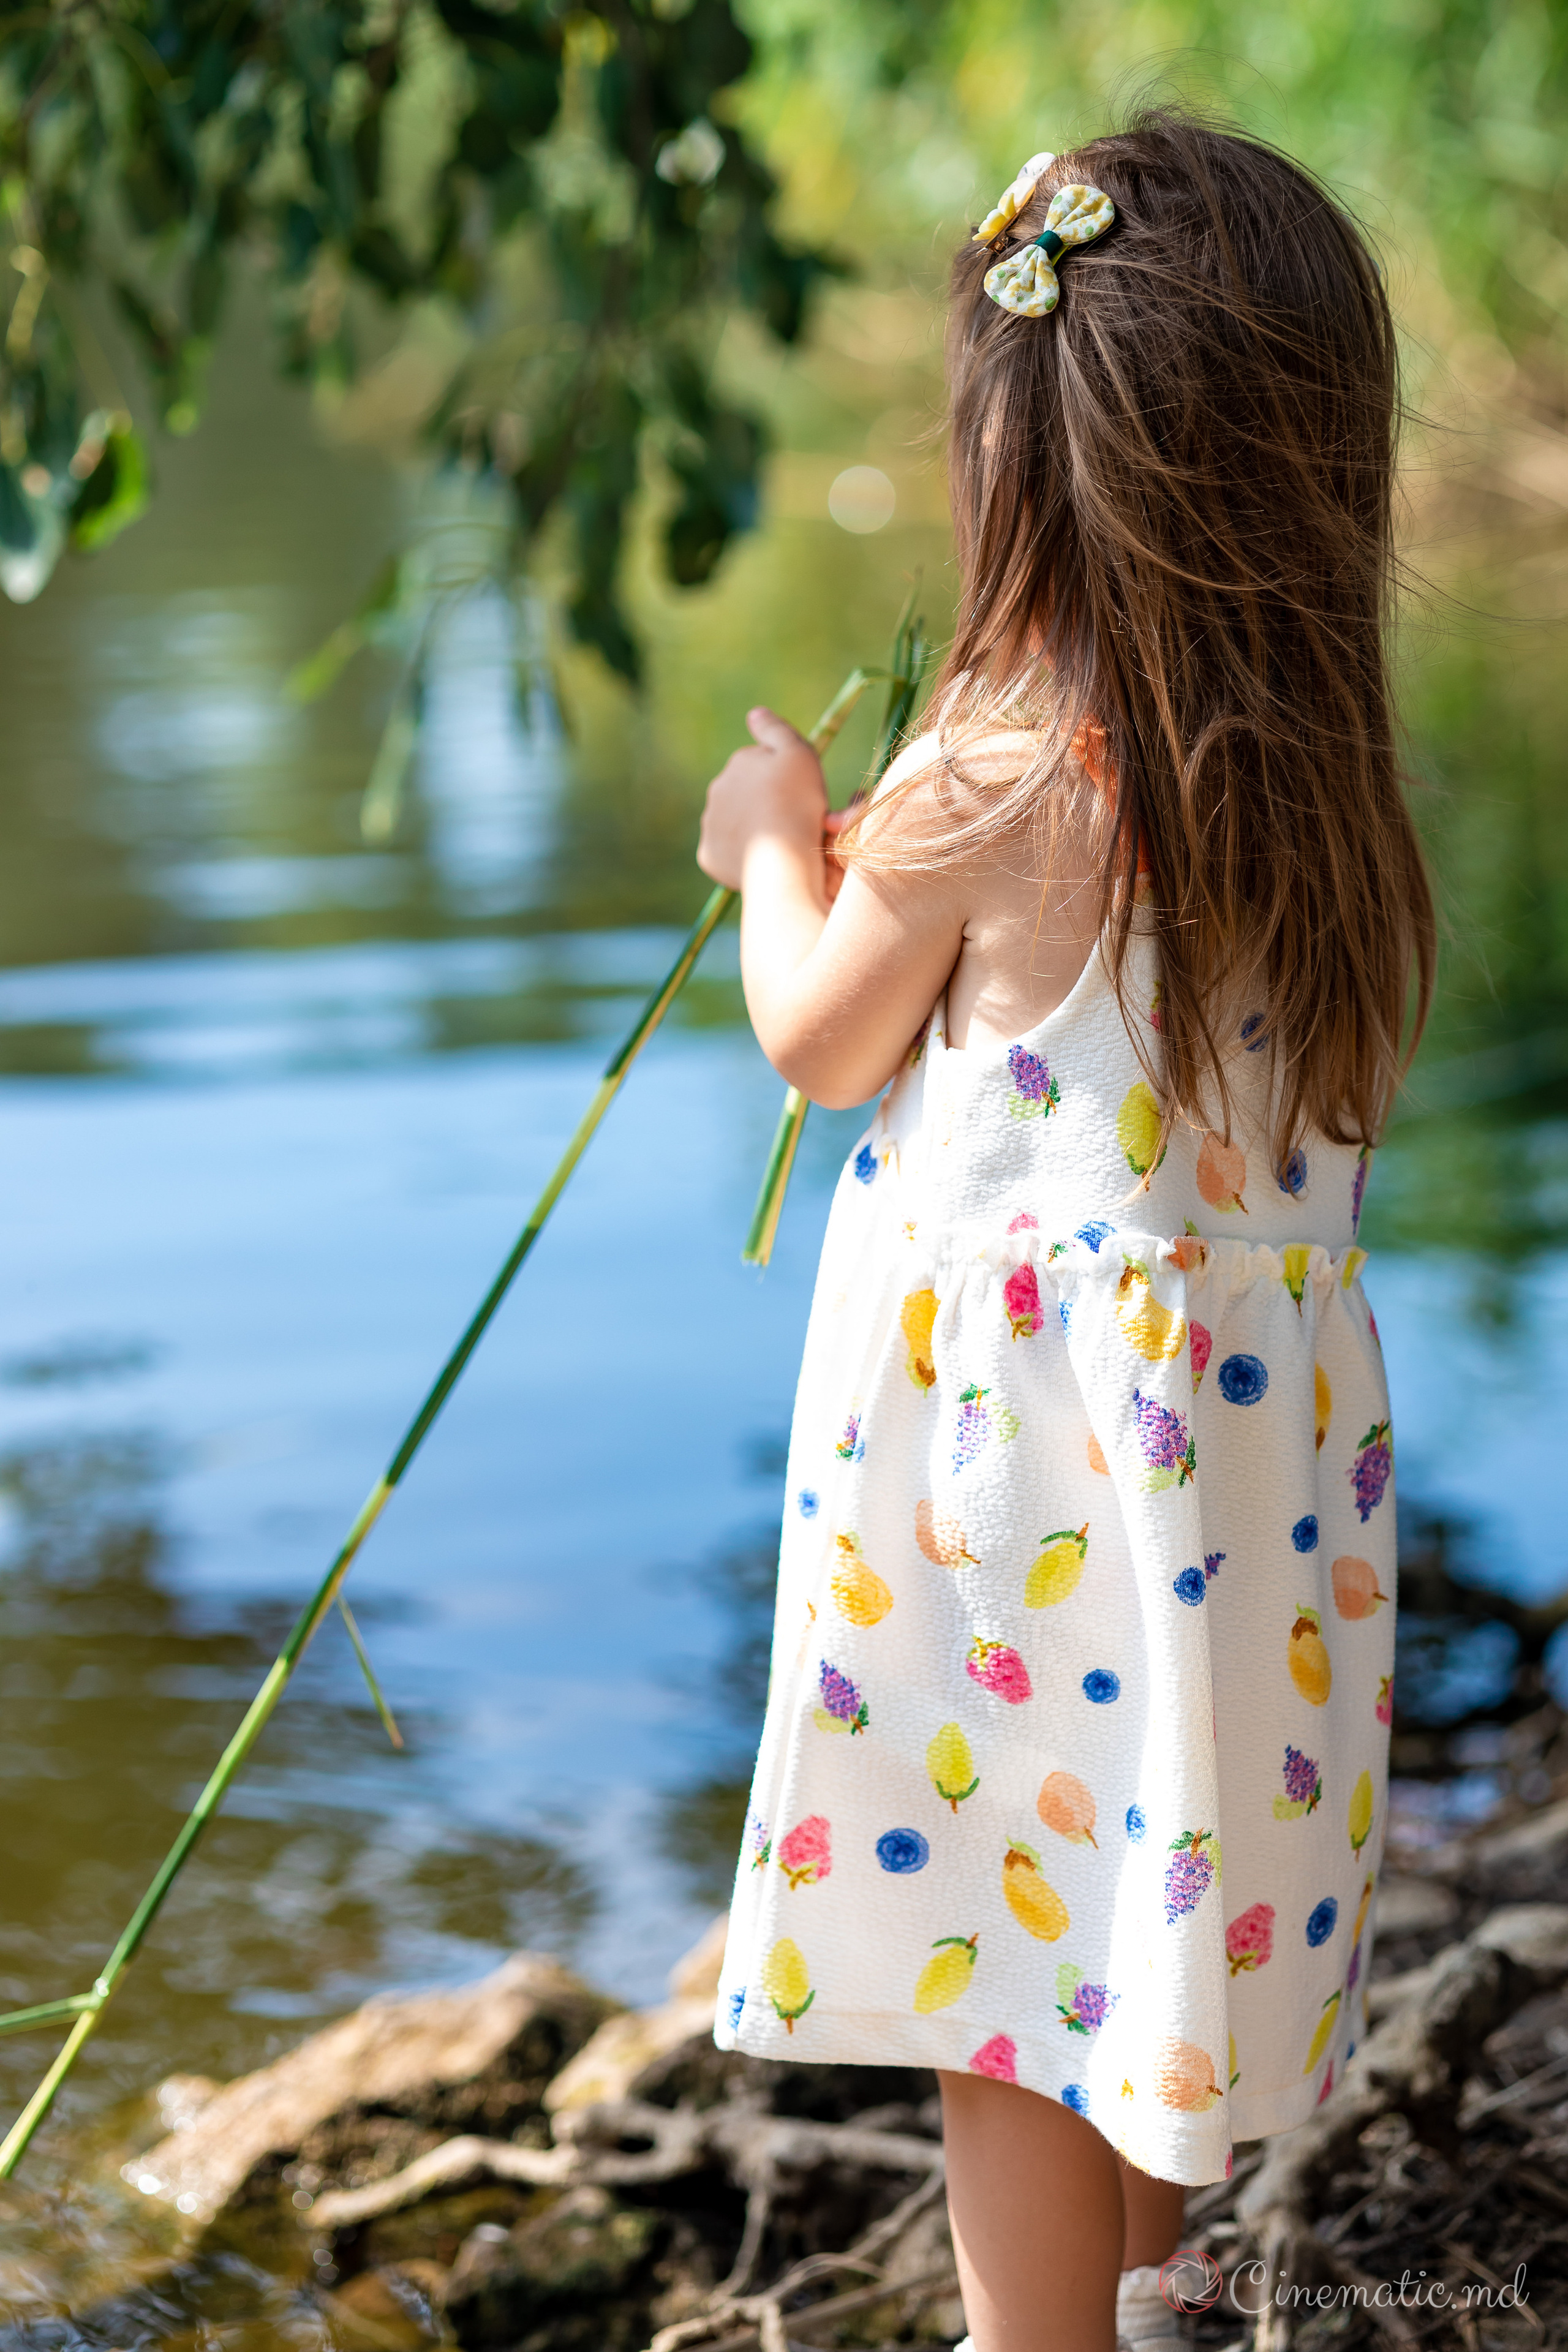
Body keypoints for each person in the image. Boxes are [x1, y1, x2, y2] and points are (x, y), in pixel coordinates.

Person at [695, 110, 1433, 2352]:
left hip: (1021, 1512)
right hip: (1234, 1522)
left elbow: (826, 1044)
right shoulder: (1325, 800)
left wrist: (766, 846)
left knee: (1013, 1996)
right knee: (1145, 1940)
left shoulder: (996, 756)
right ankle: (1149, 2322)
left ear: (1027, 455)